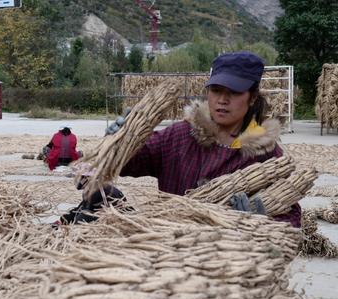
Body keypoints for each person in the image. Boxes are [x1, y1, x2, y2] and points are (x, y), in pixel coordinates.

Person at [118, 51, 301, 227]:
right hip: (169, 245)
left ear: (252, 98)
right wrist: (121, 140)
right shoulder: (181, 135)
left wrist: (262, 224)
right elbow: (128, 164)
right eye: (216, 90)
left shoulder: (266, 155)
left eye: (234, 92)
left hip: (229, 254)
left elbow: (292, 218)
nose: (222, 100)